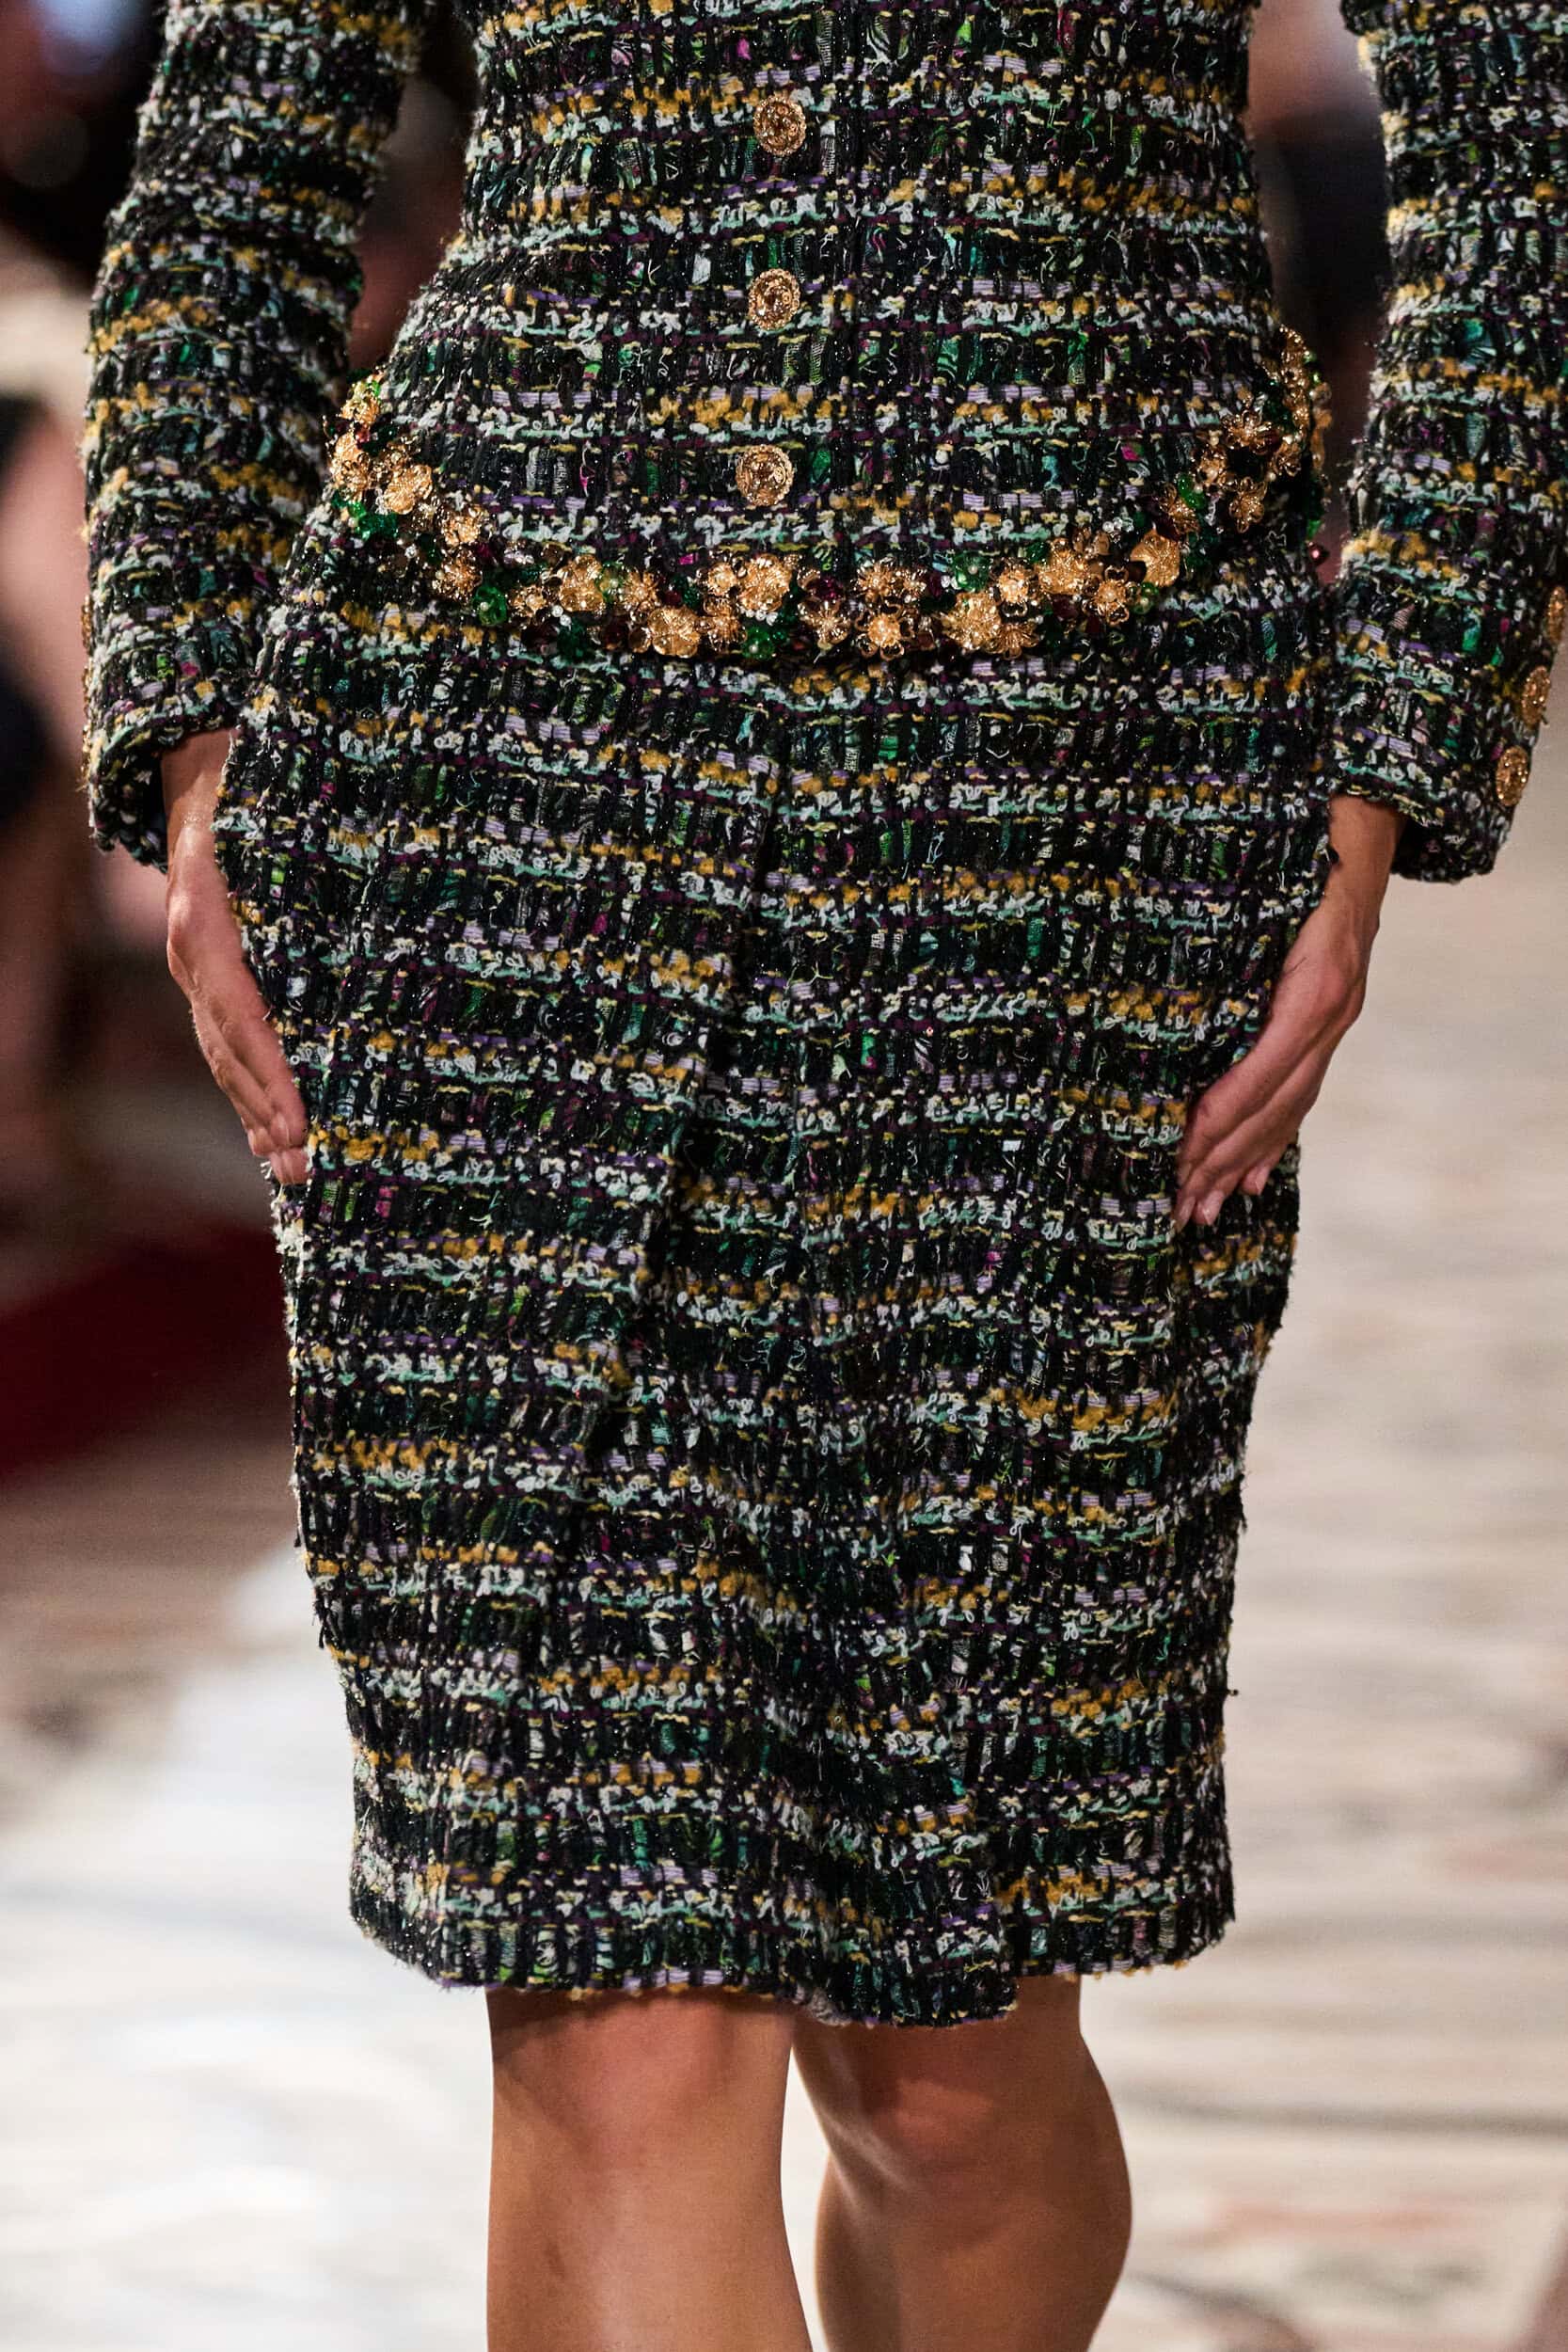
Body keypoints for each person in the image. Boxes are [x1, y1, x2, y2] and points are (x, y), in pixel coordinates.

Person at [77, 2, 1564, 2345]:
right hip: (499, 782)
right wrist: (188, 728)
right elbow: (238, 158)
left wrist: (1397, 743)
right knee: (614, 1984)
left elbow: (1520, 133)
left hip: (1088, 817)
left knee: (946, 2050)